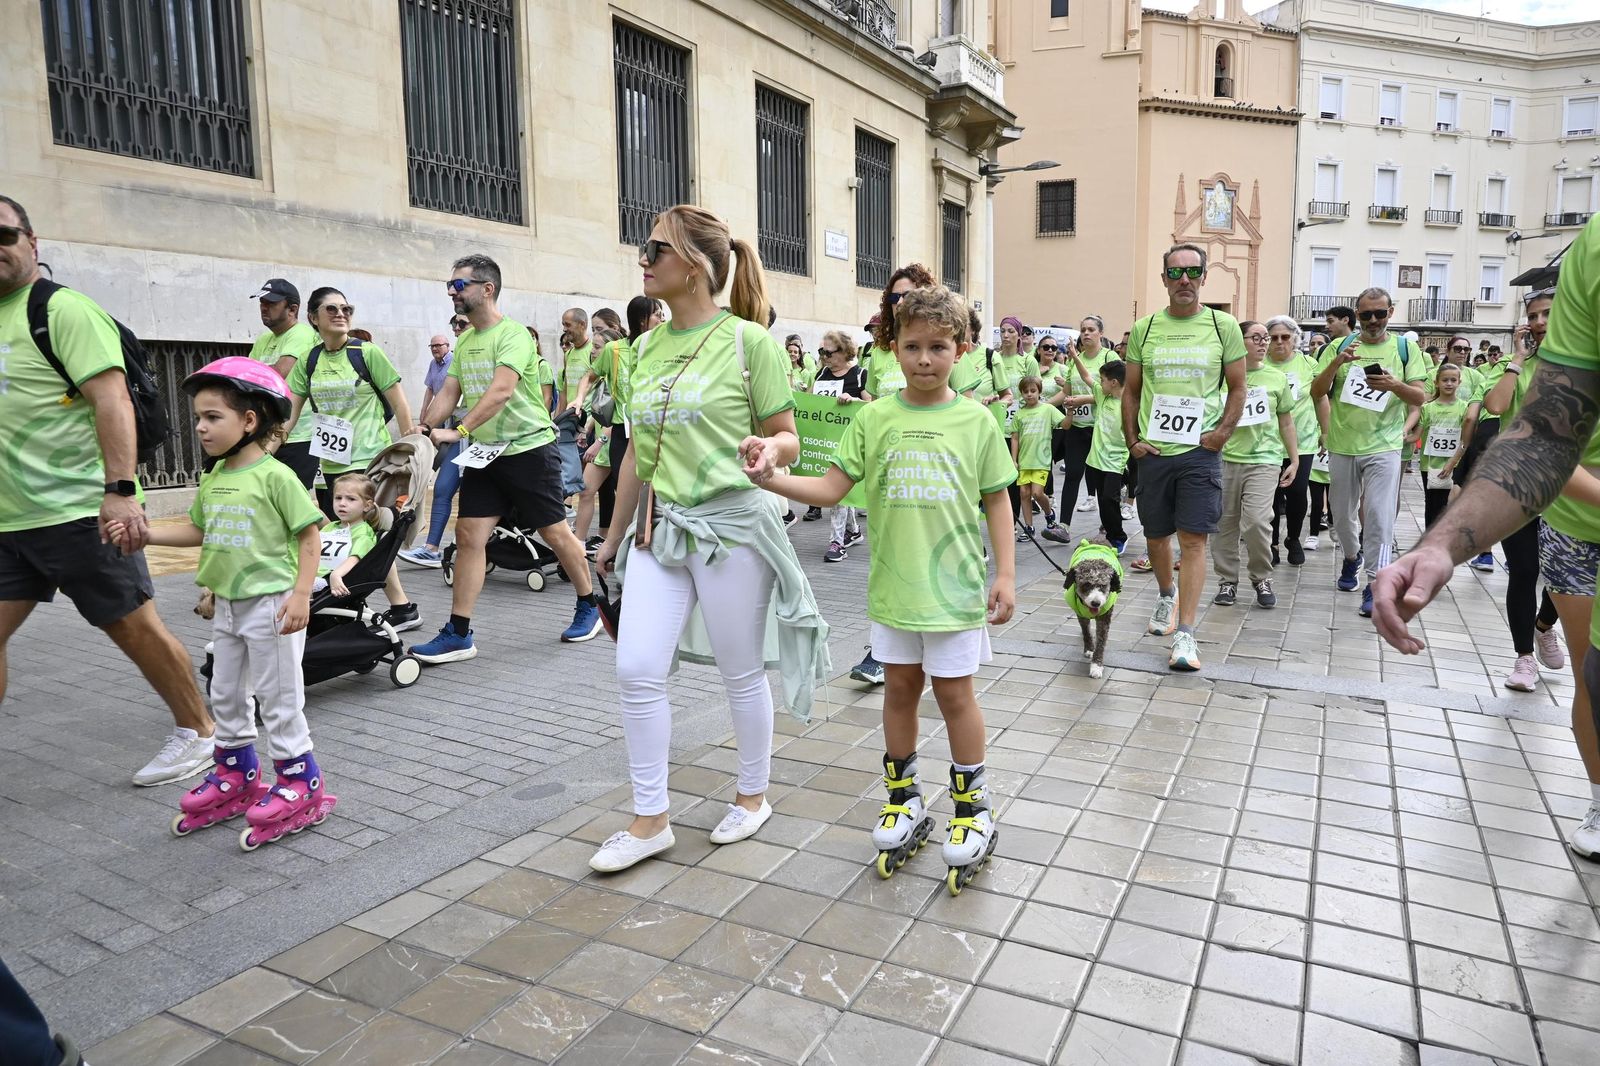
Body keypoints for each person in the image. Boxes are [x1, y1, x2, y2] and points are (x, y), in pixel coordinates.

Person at [746, 284, 1015, 892]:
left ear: (962, 349)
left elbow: (998, 499)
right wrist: (773, 478)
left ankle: (972, 807)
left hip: (952, 591)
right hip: (893, 589)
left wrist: (1004, 573)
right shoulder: (874, 417)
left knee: (954, 696)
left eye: (938, 347)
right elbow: (831, 489)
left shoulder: (975, 420)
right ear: (893, 349)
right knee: (897, 690)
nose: (924, 359)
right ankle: (903, 797)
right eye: (913, 346)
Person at [588, 204, 829, 873]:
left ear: (694, 264)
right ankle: (650, 819)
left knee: (739, 670)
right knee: (636, 667)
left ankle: (752, 797)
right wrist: (610, 539)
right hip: (661, 533)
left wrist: (767, 451)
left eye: (654, 248)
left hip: (733, 529)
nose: (643, 259)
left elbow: (789, 436)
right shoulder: (639, 349)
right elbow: (637, 449)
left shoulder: (748, 344)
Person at [1373, 216, 1600, 859]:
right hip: (1579, 527)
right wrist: (1440, 546)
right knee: (1596, 675)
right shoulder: (1595, 253)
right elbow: (1544, 437)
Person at [0, 193, 216, 787]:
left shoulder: (60, 310)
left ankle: (200, 733)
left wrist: (120, 490)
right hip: (7, 521)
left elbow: (111, 400)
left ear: (32, 242)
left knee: (132, 626)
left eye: (3, 236)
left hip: (78, 510)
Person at [127, 358, 334, 850]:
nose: (200, 426)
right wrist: (147, 533)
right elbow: (200, 530)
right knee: (225, 695)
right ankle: (237, 773)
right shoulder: (216, 474)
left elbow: (309, 536)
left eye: (213, 416)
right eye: (198, 416)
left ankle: (300, 780)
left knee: (279, 698)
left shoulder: (275, 476)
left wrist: (303, 594)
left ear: (250, 421)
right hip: (229, 606)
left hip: (274, 604)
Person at [413, 255, 603, 658]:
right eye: (449, 285)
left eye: (459, 285)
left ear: (487, 289)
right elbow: (450, 392)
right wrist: (425, 427)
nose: (452, 291)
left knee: (554, 533)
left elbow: (500, 391)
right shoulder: (465, 341)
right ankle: (458, 632)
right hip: (486, 455)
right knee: (468, 536)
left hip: (529, 450)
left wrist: (459, 431)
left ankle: (590, 605)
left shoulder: (513, 335)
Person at [1123, 243, 1247, 671]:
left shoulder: (1222, 325)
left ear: (1204, 277)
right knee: (1156, 537)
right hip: (1154, 452)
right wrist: (1133, 441)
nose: (1184, 281)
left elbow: (1237, 388)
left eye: (1192, 272)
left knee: (1194, 540)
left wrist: (1220, 435)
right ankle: (1165, 595)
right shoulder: (1145, 328)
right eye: (1175, 274)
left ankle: (1186, 635)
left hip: (1200, 452)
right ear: (1163, 280)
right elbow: (1131, 391)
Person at [283, 287, 421, 632]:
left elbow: (400, 402)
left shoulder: (366, 353)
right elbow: (291, 414)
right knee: (350, 537)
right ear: (313, 318)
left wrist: (412, 449)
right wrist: (265, 450)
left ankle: (393, 606)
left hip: (369, 462)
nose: (341, 314)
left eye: (346, 308)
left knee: (368, 535)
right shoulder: (309, 361)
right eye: (331, 309)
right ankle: (392, 607)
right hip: (330, 465)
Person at [1309, 287, 1428, 618]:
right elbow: (1316, 392)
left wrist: (1394, 385)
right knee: (1342, 518)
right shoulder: (1340, 345)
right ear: (1356, 316)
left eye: (1380, 313)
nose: (1373, 320)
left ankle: (1377, 584)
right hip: (1343, 445)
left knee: (1379, 515)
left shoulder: (1405, 348)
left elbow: (1420, 398)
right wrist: (1336, 362)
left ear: (1391, 312)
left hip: (1385, 446)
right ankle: (1351, 557)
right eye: (1366, 315)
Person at [1475, 293, 1565, 692]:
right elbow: (1495, 406)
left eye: (1548, 313)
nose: (1540, 321)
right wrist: (1515, 359)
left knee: (1565, 575)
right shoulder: (1519, 366)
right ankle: (1523, 658)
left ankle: (1544, 625)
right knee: (1525, 570)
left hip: (1568, 486)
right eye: (1533, 315)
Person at [1212, 322, 1297, 609]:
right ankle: (1227, 582)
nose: (1265, 343)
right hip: (1224, 459)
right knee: (1224, 524)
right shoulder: (1221, 377)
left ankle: (1262, 577)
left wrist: (1294, 458)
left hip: (1264, 459)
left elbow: (1285, 420)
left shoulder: (1276, 378)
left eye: (1267, 338)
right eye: (1257, 337)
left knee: (1257, 522)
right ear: (1239, 341)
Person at [1265, 315, 1326, 566]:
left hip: (1303, 440)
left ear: (1295, 340)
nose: (1279, 342)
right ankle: (1273, 544)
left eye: (1285, 337)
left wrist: (1325, 431)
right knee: (1271, 496)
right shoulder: (1258, 365)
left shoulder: (1309, 364)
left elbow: (1321, 398)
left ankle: (1293, 537)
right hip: (1267, 442)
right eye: (1273, 337)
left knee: (1298, 493)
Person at [248, 278, 320, 488]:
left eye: (271, 303)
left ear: (292, 309)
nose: (263, 307)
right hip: (269, 433)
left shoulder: (302, 334)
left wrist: (255, 377)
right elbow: (244, 377)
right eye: (262, 302)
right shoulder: (263, 340)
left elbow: (277, 376)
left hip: (299, 436)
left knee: (294, 501)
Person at [399, 334, 463, 566]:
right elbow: (440, 394)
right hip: (455, 434)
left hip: (484, 437)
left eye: (463, 324)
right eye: (455, 325)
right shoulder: (447, 362)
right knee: (443, 488)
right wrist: (426, 423)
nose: (459, 329)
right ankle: (431, 547)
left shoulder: (466, 357)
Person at [810, 330, 867, 561]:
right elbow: (810, 402)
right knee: (842, 491)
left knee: (836, 489)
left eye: (828, 352)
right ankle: (852, 531)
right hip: (825, 441)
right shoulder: (821, 374)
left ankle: (836, 541)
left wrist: (854, 400)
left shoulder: (859, 374)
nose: (824, 357)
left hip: (849, 443)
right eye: (821, 352)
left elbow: (870, 406)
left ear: (844, 352)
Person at [1058, 316, 1115, 521]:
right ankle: (1063, 525)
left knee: (1100, 479)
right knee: (1072, 474)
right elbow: (1066, 391)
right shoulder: (1076, 359)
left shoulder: (1109, 357)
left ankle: (1105, 527)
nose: (1086, 333)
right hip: (1076, 426)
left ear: (1100, 333)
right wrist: (1042, 406)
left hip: (1101, 428)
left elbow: (1113, 394)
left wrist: (1083, 400)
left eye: (1091, 329)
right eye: (1083, 330)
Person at [1411, 363, 1469, 530]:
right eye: (1445, 380)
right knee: (1432, 504)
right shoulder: (1427, 408)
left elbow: (1466, 440)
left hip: (1455, 464)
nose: (1449, 383)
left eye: (1453, 380)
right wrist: (1400, 436)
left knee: (1451, 504)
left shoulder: (1465, 408)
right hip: (1429, 465)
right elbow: (1416, 435)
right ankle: (1429, 540)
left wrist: (1453, 461)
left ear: (1459, 382)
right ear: (1436, 382)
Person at [1085, 360, 1131, 552]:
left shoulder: (1130, 404)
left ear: (1113, 382)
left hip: (1116, 460)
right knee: (1103, 502)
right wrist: (1074, 356)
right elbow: (1086, 378)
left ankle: (1120, 537)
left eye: (1102, 379)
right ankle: (1110, 536)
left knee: (1108, 499)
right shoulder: (1103, 397)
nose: (1099, 383)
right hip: (1095, 460)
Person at [1012, 376, 1065, 540]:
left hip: (1041, 461)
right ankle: (1029, 527)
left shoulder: (1047, 409)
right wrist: (1014, 459)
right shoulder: (1019, 414)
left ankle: (1049, 514)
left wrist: (1069, 412)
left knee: (1037, 493)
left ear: (1039, 391)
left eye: (1033, 391)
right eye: (1025, 391)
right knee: (1024, 494)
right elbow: (1015, 437)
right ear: (1021, 393)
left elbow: (1065, 424)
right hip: (1024, 461)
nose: (1029, 394)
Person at [316, 473, 381, 596]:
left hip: (332, 580)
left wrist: (336, 574)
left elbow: (355, 557)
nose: (342, 503)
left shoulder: (363, 532)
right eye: (338, 498)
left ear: (367, 505)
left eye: (351, 499)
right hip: (312, 575)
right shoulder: (330, 527)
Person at [554, 308, 592, 497]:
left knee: (586, 485)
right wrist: (556, 421)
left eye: (567, 324)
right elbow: (564, 392)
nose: (564, 329)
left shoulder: (593, 351)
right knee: (570, 483)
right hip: (569, 425)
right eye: (563, 324)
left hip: (586, 425)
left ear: (582, 325)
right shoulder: (568, 354)